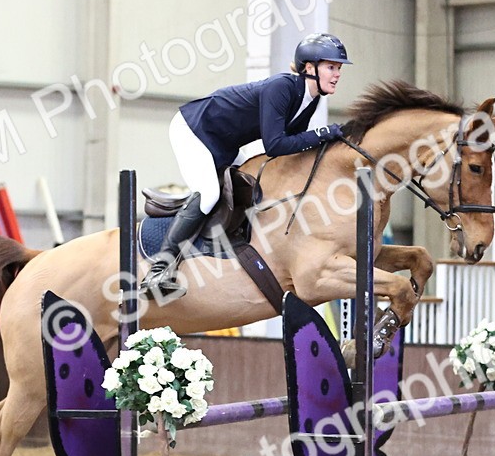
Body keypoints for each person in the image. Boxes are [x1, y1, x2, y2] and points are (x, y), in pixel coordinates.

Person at [141, 32, 353, 298]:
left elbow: (292, 148)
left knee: (255, 183)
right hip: (194, 129)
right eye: (331, 67)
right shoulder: (283, 88)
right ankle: (159, 270)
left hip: (226, 143)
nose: (337, 74)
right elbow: (275, 144)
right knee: (209, 194)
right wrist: (324, 133)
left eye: (339, 68)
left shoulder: (310, 99)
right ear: (309, 68)